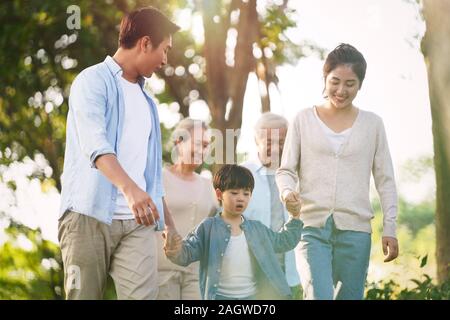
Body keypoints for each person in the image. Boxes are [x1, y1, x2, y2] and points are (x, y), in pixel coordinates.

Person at [58, 7, 180, 299]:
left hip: (138, 223)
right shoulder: (92, 81)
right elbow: (95, 145)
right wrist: (130, 190)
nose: (165, 60)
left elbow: (150, 174)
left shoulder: (148, 100)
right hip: (88, 216)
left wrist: (170, 226)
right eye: (165, 50)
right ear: (145, 42)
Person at [276, 43, 399, 300]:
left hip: (355, 230)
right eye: (335, 81)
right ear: (325, 78)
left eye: (350, 84)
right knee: (318, 295)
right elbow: (285, 170)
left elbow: (385, 181)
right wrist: (287, 192)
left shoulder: (373, 124)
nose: (341, 91)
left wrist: (390, 227)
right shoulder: (303, 119)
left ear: (360, 85)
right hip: (310, 226)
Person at [164, 164, 303, 300]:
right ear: (219, 194)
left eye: (246, 193)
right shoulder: (207, 228)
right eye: (234, 193)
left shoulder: (257, 229)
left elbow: (283, 241)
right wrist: (175, 250)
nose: (241, 198)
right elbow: (187, 253)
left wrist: (295, 216)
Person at [156, 118, 219, 300]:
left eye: (206, 145)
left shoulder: (209, 185)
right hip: (161, 275)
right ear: (179, 142)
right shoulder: (158, 178)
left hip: (196, 276)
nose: (202, 150)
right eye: (198, 143)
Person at [241, 112, 301, 293]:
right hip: (252, 276)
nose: (275, 148)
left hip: (293, 274)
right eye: (269, 142)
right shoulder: (241, 175)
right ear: (255, 140)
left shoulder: (300, 176)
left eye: (281, 142)